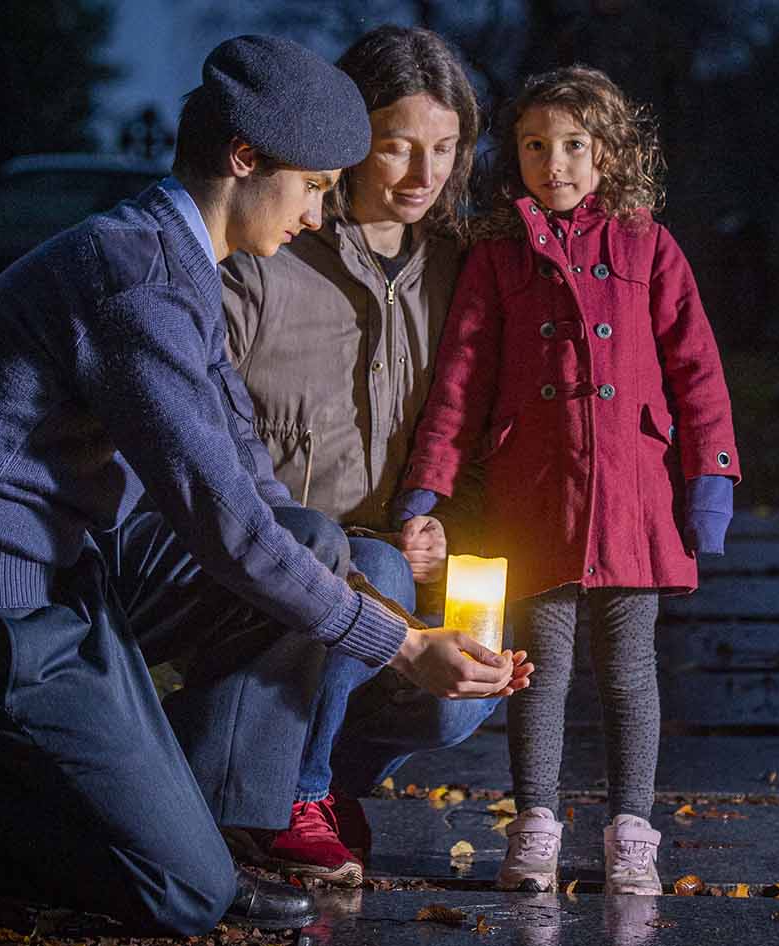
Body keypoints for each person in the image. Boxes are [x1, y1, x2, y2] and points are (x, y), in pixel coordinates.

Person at [0, 35, 529, 936]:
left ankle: (213, 826)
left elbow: (259, 495)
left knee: (314, 539)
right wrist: (404, 646)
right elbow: (226, 527)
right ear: (244, 157)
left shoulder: (183, 266)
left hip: (75, 576)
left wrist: (392, 614)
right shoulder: (133, 279)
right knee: (178, 896)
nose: (316, 214)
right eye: (312, 186)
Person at [396, 64, 739, 895]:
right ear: (514, 154)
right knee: (536, 671)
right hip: (536, 494)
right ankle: (536, 825)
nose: (555, 164)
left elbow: (697, 368)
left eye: (574, 145)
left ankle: (633, 831)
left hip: (633, 498)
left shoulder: (649, 245)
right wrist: (427, 486)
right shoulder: (497, 255)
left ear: (608, 151)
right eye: (535, 145)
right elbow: (461, 378)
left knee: (629, 674)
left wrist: (711, 479)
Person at [217, 25, 491, 888]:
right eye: (396, 146)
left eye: (444, 148)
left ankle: (331, 779)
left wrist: (449, 523)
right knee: (372, 564)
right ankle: (287, 800)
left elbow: (474, 428)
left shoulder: (462, 268)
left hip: (400, 560)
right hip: (281, 560)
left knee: (471, 681)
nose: (423, 174)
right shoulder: (272, 247)